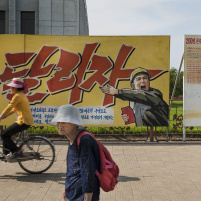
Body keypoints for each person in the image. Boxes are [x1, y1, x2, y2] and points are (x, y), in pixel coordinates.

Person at [50, 104, 100, 201]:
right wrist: (66, 188)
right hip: (72, 193)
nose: (60, 125)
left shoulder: (84, 140)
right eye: (58, 121)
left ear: (75, 123)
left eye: (64, 121)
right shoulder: (71, 138)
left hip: (82, 196)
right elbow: (72, 168)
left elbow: (88, 172)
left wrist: (87, 198)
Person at [100, 67, 169, 127]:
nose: (142, 81)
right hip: (145, 133)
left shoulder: (155, 94)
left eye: (145, 78)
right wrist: (130, 118)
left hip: (160, 132)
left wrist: (117, 92)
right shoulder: (134, 101)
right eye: (138, 79)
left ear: (148, 81)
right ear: (133, 85)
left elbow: (142, 95)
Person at [0, 78, 34, 160]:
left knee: (4, 134)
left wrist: (1, 116)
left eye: (11, 87)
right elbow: (14, 109)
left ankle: (17, 151)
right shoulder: (21, 95)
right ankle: (6, 155)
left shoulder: (17, 96)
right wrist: (4, 116)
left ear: (15, 88)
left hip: (23, 121)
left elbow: (9, 106)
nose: (10, 89)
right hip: (25, 120)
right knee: (6, 134)